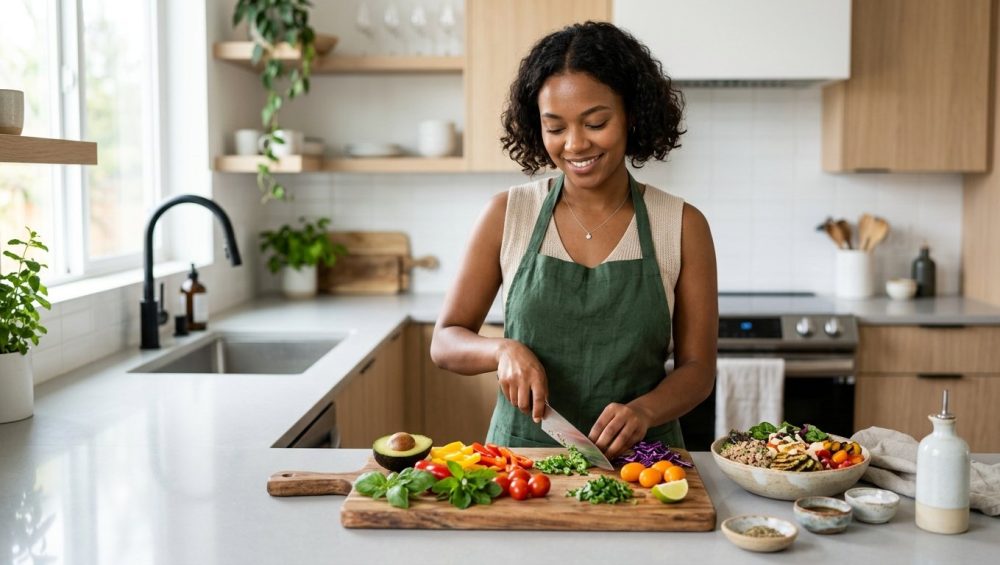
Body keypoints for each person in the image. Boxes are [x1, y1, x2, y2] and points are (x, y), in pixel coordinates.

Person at [430, 21, 718, 459]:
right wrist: (501, 350)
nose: (575, 144)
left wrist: (644, 411)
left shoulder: (680, 224)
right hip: (521, 462)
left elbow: (698, 370)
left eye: (595, 122)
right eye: (555, 127)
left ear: (632, 115)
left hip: (645, 466)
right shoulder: (508, 215)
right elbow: (445, 341)